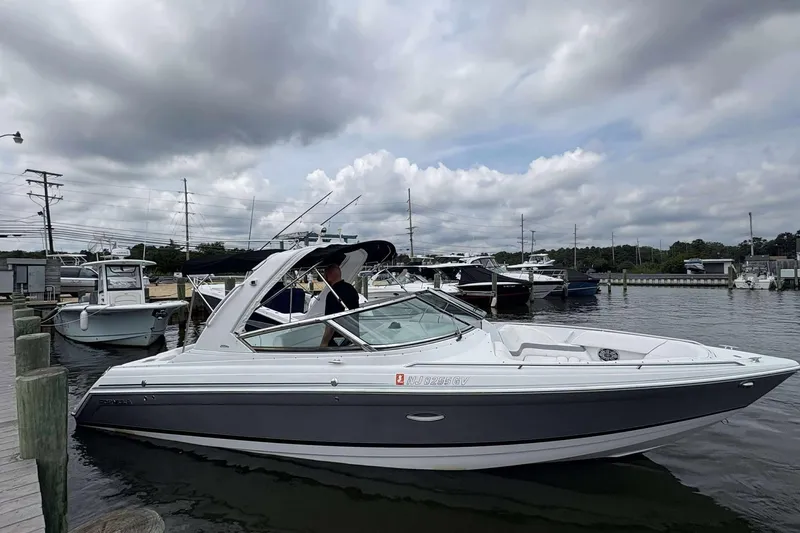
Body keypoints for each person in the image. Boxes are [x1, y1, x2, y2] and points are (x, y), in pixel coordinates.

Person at [320, 263, 360, 347]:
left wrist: (324, 343)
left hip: (337, 340)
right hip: (353, 336)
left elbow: (330, 322)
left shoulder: (333, 295)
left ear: (329, 275)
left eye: (325, 275)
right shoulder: (351, 289)